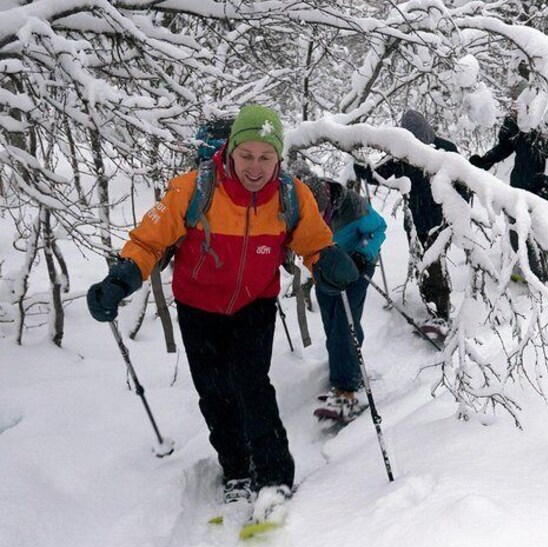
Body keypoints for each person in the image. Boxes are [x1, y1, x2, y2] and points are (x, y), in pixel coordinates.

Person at [86, 105, 359, 519]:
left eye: (265, 156)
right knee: (214, 393)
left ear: (278, 158)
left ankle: (274, 477)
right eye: (246, 155)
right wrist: (122, 277)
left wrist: (328, 260)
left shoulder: (291, 195)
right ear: (230, 152)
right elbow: (148, 242)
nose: (255, 167)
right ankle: (235, 470)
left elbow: (314, 243)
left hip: (254, 304)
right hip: (198, 308)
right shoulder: (193, 189)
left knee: (253, 387)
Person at [353, 109, 459, 328]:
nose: (417, 145)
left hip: (441, 220)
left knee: (434, 263)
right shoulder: (401, 152)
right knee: (423, 263)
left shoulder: (445, 149)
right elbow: (379, 174)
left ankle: (442, 313)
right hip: (415, 219)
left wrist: (459, 213)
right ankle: (432, 306)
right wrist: (362, 169)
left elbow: (462, 183)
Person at [301, 174, 387, 422]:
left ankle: (346, 389)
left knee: (344, 323)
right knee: (331, 322)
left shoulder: (353, 204)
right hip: (326, 267)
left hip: (357, 265)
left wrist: (363, 254)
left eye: (320, 212)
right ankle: (347, 373)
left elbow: (379, 228)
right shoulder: (301, 207)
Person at [469, 80, 548, 282]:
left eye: (520, 101)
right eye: (516, 102)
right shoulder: (518, 123)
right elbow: (505, 147)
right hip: (520, 185)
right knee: (517, 228)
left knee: (541, 230)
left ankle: (541, 273)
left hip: (545, 188)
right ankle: (526, 267)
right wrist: (485, 160)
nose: (516, 105)